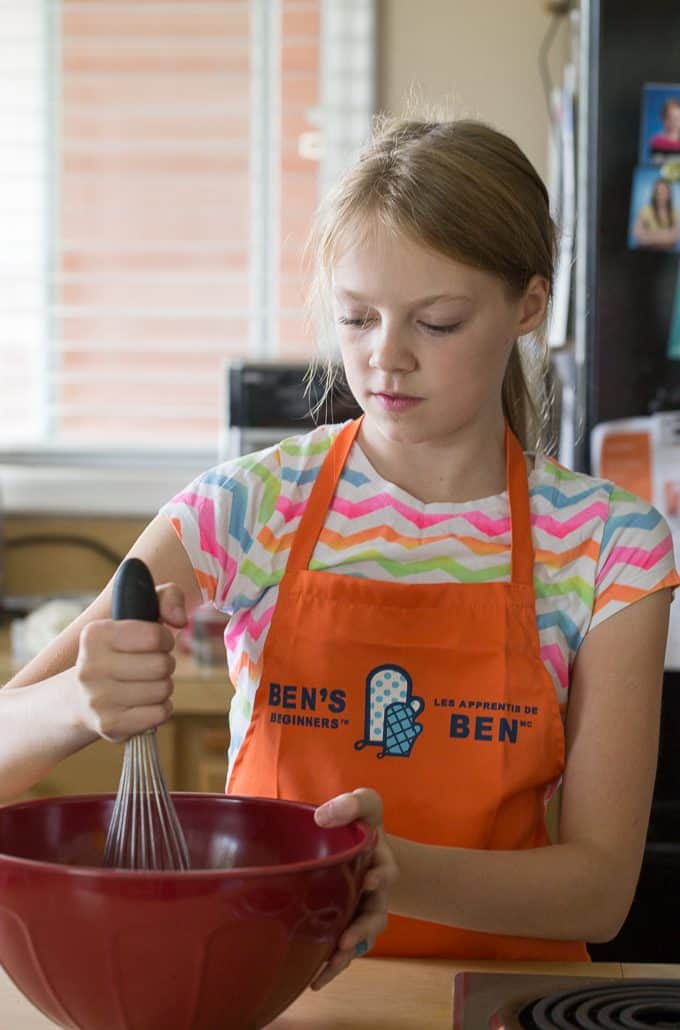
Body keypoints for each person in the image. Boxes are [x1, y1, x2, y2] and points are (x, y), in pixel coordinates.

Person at [2, 116, 679, 986]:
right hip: (269, 994)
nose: (385, 357)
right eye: (356, 317)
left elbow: (597, 892)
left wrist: (387, 867)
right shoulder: (248, 508)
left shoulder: (607, 546)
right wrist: (77, 703)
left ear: (529, 307)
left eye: (436, 323)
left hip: (501, 999)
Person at [632, 176, 679, 250]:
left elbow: (675, 237)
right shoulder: (645, 210)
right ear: (654, 193)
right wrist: (666, 235)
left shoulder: (675, 212)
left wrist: (648, 234)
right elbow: (637, 235)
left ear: (669, 194)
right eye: (659, 191)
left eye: (664, 191)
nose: (662, 194)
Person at [649, 97, 680, 161]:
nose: (674, 122)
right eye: (670, 118)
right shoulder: (657, 142)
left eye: (678, 119)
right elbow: (655, 162)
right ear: (663, 118)